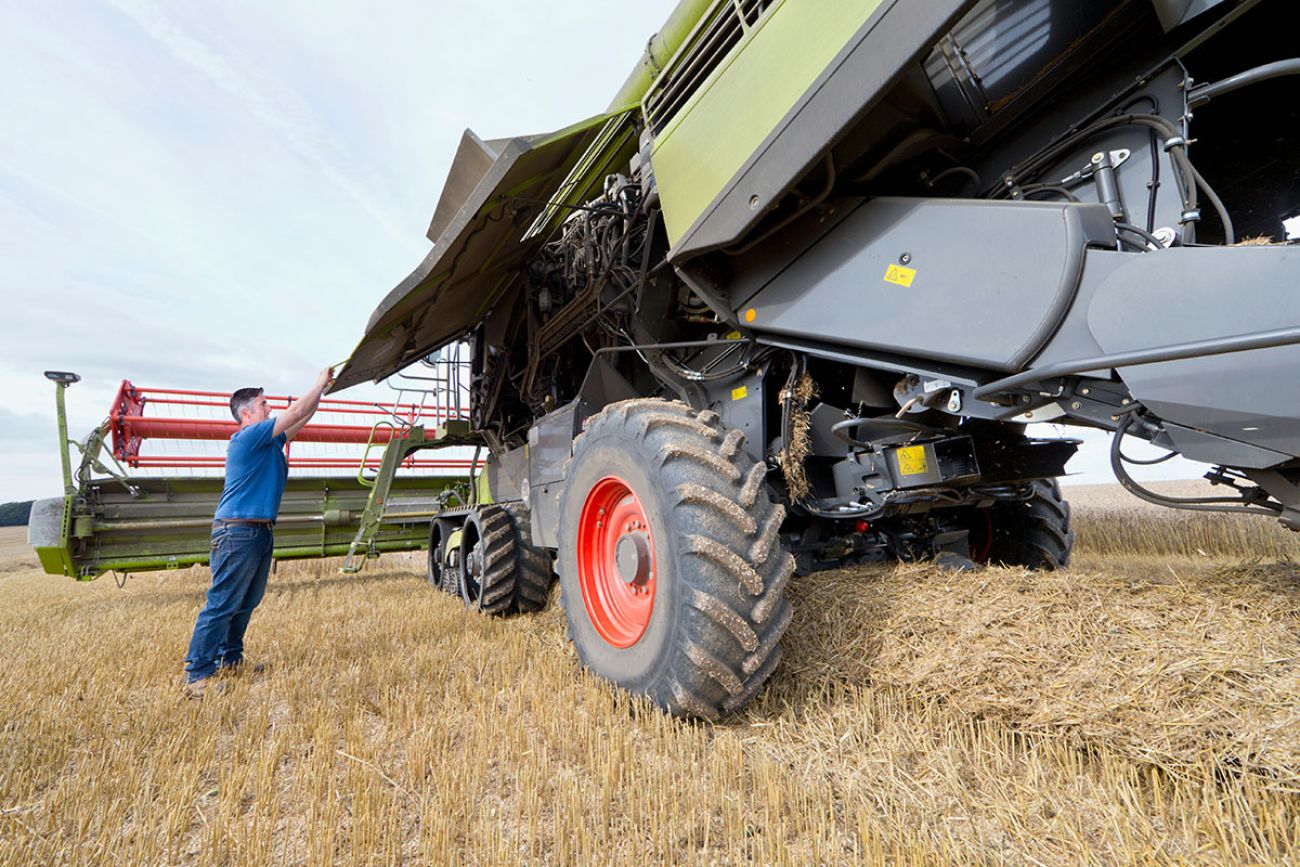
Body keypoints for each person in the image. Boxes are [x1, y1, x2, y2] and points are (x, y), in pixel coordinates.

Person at [183, 367, 334, 697]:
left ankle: (230, 660)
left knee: (246, 601)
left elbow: (299, 418)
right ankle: (197, 674)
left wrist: (321, 394)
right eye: (264, 404)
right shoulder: (248, 437)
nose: (270, 409)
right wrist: (317, 383)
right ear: (247, 412)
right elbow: (294, 412)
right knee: (222, 603)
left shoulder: (266, 443)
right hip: (237, 533)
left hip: (258, 532)